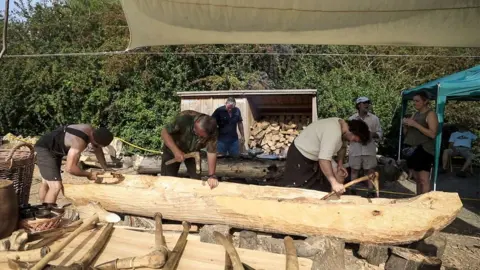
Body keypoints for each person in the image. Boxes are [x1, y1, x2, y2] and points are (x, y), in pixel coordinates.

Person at [278, 117, 370, 195]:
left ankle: (334, 202)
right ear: (352, 131)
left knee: (340, 174)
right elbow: (323, 159)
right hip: (300, 153)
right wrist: (334, 182)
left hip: (317, 154)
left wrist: (340, 165)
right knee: (298, 188)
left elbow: (342, 147)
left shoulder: (343, 129)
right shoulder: (333, 132)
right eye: (354, 139)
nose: (353, 142)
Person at [35, 124, 114, 205]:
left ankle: (42, 209)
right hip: (45, 149)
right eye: (95, 145)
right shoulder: (80, 141)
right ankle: (47, 214)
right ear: (93, 138)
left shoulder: (91, 130)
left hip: (53, 149)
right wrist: (89, 174)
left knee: (46, 182)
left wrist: (105, 168)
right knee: (55, 186)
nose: (95, 147)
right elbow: (70, 168)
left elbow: (98, 151)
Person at [161, 110, 219, 189]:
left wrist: (212, 175)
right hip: (172, 149)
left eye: (201, 136)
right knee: (167, 180)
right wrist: (176, 151)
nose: (196, 135)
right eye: (195, 131)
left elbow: (211, 152)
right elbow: (164, 132)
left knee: (196, 180)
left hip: (193, 152)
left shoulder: (213, 131)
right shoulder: (184, 119)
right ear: (196, 122)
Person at [403, 91, 439, 194]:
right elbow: (407, 133)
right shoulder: (416, 114)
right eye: (414, 101)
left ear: (425, 101)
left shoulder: (430, 114)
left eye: (417, 101)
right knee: (417, 179)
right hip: (413, 149)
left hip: (425, 149)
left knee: (423, 179)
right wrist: (406, 126)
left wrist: (414, 124)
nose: (415, 103)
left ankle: (425, 202)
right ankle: (418, 200)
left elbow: (432, 134)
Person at [348, 97, 382, 197]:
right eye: (364, 103)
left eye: (368, 103)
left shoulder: (374, 118)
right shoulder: (351, 119)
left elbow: (380, 133)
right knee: (354, 170)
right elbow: (347, 135)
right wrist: (356, 136)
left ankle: (370, 191)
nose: (367, 105)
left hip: (369, 149)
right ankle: (352, 190)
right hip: (355, 149)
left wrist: (372, 134)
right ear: (359, 105)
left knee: (370, 170)